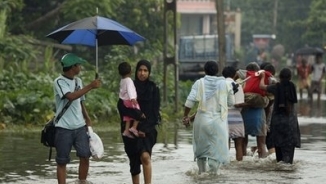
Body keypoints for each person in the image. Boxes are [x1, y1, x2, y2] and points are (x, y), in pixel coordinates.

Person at [53, 53, 101, 184]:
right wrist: (90, 86)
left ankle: (82, 181)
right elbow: (71, 96)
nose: (80, 67)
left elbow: (80, 101)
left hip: (80, 126)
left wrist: (87, 118)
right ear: (72, 67)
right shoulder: (59, 81)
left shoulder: (78, 81)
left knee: (85, 156)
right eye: (79, 65)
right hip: (63, 127)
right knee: (62, 161)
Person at [182, 61, 234, 175]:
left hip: (202, 121)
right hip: (219, 123)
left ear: (205, 71)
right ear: (217, 71)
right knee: (216, 152)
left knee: (201, 151)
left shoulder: (199, 83)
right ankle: (213, 175)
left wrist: (186, 116)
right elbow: (231, 103)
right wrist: (230, 92)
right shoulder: (226, 84)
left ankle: (201, 173)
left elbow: (189, 102)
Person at [117, 59, 160, 184]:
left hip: (147, 129)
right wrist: (137, 114)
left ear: (149, 72)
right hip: (129, 128)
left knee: (145, 157)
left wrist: (143, 129)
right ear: (135, 72)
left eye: (145, 70)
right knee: (134, 161)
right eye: (140, 70)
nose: (142, 73)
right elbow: (121, 106)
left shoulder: (153, 88)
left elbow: (155, 112)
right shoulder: (129, 84)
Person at [259, 68, 301, 164]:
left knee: (279, 159)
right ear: (290, 77)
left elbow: (261, 86)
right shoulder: (292, 87)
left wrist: (262, 77)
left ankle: (279, 173)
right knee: (288, 159)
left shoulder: (276, 87)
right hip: (291, 125)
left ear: (279, 77)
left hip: (277, 124)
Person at [236, 62, 268, 158]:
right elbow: (268, 100)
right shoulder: (263, 80)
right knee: (261, 144)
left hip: (244, 116)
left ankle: (242, 162)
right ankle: (262, 162)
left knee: (243, 143)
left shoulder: (241, 81)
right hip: (259, 116)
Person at [222, 66, 245, 161]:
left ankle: (224, 165)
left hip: (222, 117)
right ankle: (239, 167)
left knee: (224, 145)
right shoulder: (237, 85)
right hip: (236, 117)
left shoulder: (220, 85)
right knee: (238, 145)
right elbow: (239, 104)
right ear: (235, 74)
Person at [118, 61, 144, 138]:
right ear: (131, 71)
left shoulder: (122, 80)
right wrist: (132, 98)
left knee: (127, 116)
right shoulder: (129, 80)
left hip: (124, 101)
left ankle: (126, 131)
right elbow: (130, 89)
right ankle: (134, 127)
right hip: (129, 100)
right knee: (138, 112)